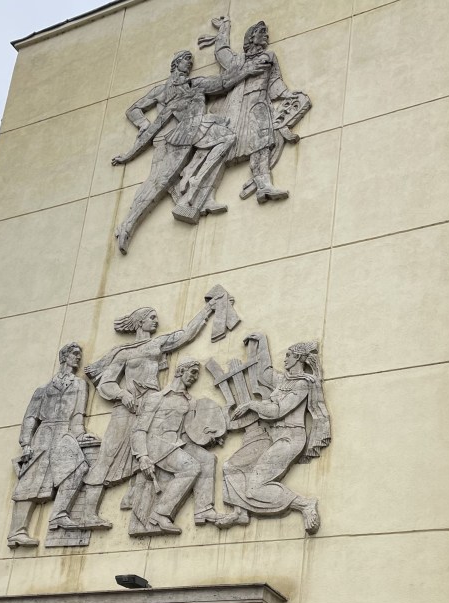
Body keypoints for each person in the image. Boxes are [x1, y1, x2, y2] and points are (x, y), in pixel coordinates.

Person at [111, 50, 266, 253]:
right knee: (157, 183)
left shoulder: (196, 84)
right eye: (186, 60)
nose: (189, 64)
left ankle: (194, 179)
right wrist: (143, 125)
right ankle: (127, 226)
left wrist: (245, 71)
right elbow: (133, 110)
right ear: (176, 64)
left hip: (196, 130)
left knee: (227, 137)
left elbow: (222, 83)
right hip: (173, 140)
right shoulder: (161, 90)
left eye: (191, 61)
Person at [80, 300, 219, 517]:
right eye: (151, 318)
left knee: (155, 450)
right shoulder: (123, 353)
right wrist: (122, 394)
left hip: (152, 403)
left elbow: (185, 335)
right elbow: (106, 383)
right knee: (108, 455)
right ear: (139, 322)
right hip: (127, 408)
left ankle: (138, 501)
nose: (156, 321)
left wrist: (208, 310)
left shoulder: (157, 345)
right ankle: (88, 514)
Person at [217, 339, 330, 533]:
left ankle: (305, 504)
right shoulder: (283, 380)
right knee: (230, 467)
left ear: (298, 358)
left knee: (255, 487)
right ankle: (240, 511)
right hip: (272, 437)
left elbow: (278, 410)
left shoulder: (302, 384)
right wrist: (259, 341)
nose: (285, 359)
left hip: (290, 438)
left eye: (288, 355)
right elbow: (265, 373)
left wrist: (251, 405)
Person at [6, 342, 107, 548]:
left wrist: (80, 435)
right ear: (64, 357)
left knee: (79, 468)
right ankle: (16, 533)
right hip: (43, 434)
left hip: (64, 432)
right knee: (31, 482)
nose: (78, 357)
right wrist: (26, 443)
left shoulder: (80, 385)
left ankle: (58, 515)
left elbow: (78, 415)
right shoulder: (43, 390)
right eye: (74, 353)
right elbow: (30, 417)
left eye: (79, 354)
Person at [210, 18, 305, 202]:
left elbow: (274, 81)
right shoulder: (238, 60)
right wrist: (224, 28)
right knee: (222, 148)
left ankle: (264, 185)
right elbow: (221, 52)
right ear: (251, 37)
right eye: (262, 32)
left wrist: (287, 94)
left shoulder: (269, 56)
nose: (266, 35)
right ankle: (203, 194)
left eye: (266, 33)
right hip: (237, 108)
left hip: (259, 104)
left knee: (263, 144)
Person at [129, 360, 223, 533]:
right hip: (156, 445)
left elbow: (189, 433)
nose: (195, 377)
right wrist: (142, 456)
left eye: (197, 374)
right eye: (193, 372)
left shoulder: (190, 402)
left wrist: (208, 438)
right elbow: (139, 429)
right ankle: (160, 514)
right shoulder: (157, 397)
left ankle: (203, 510)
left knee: (208, 459)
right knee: (191, 467)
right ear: (180, 370)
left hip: (176, 444)